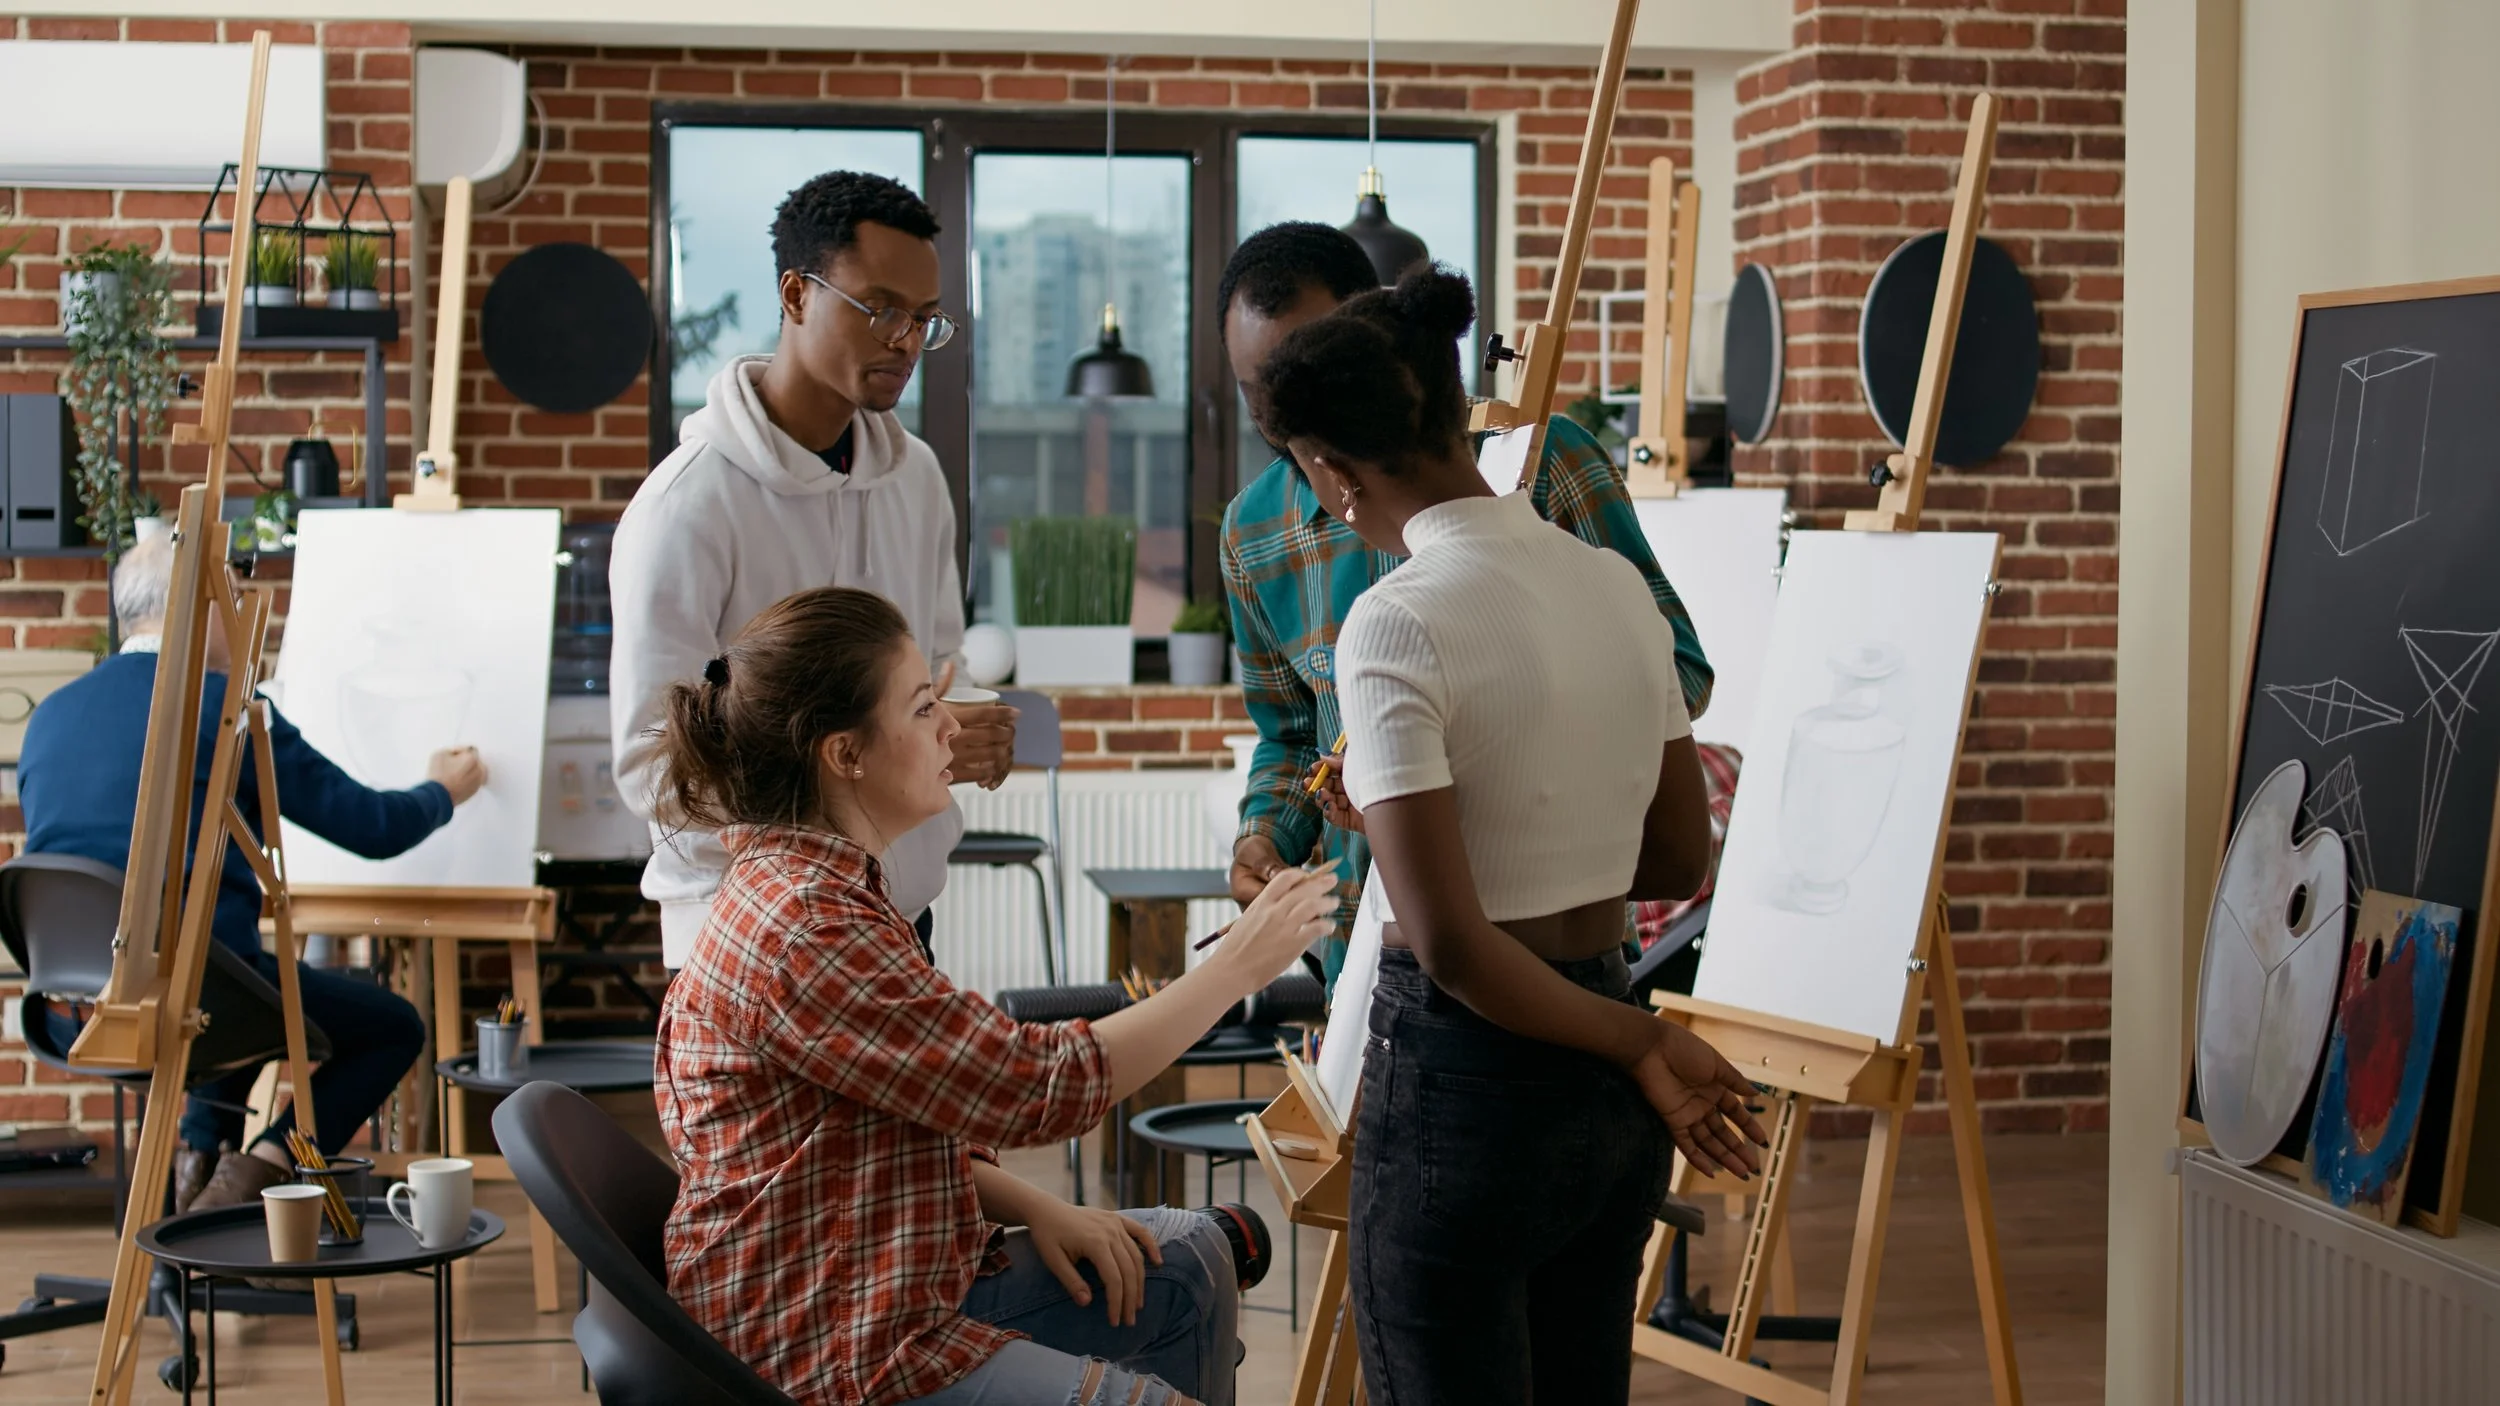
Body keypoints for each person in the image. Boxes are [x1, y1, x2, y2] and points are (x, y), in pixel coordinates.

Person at [1257, 266, 1768, 1405]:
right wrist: (1623, 1033)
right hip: (1600, 1076)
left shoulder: (1391, 620)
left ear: (1333, 474)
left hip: (1465, 1090)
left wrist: (1641, 1045)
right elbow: (1677, 856)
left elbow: (1449, 943)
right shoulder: (1613, 586)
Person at [648, 586, 1340, 1406]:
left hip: (883, 1279)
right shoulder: (806, 925)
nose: (952, 727)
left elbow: (908, 1111)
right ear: (845, 755)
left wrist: (1038, 1205)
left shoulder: (823, 888)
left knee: (1184, 1260)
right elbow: (1035, 1088)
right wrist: (1235, 971)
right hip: (835, 1345)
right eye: (922, 708)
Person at [1217, 222, 1714, 983]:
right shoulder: (1253, 533)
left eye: (1309, 377)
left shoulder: (1543, 459)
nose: (1288, 424)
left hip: (1556, 954)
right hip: (1368, 961)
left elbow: (1676, 671)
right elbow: (1287, 736)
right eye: (1260, 399)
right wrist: (1264, 840)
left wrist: (1459, 752)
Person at [612, 170, 1017, 971]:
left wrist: (964, 730)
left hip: (897, 917)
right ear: (796, 295)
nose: (905, 340)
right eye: (882, 309)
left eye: (925, 321)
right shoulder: (688, 506)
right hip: (747, 929)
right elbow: (652, 765)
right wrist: (851, 773)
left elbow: (942, 670)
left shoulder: (917, 478)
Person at [18, 532, 487, 1213]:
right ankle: (256, 1174)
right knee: (391, 1028)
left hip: (75, 1008)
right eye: (234, 601)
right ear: (204, 609)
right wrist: (443, 790)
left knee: (227, 986)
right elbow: (374, 828)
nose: (243, 623)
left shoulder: (51, 718)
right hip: (196, 1001)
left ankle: (193, 1187)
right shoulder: (227, 713)